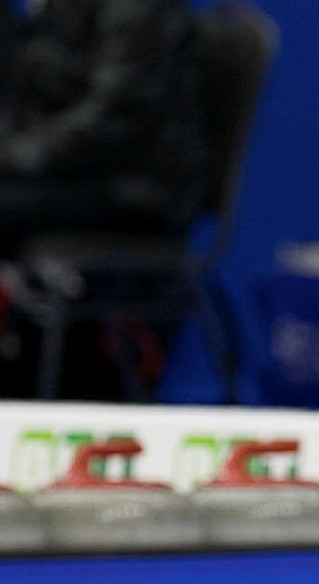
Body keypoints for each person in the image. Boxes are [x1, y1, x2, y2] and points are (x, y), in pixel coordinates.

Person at [0, 0, 209, 397]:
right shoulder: (45, 11)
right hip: (72, 177)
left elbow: (113, 119)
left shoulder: (139, 9)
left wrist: (10, 156)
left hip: (137, 189)